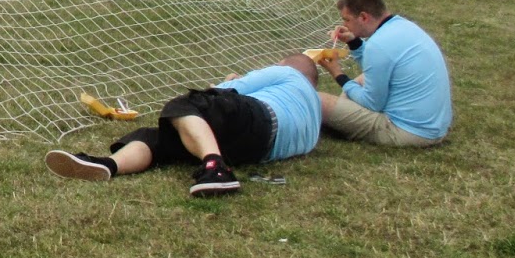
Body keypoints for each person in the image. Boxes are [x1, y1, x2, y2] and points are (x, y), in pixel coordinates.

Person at [46, 54, 323, 197]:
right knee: (160, 137)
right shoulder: (314, 122)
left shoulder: (288, 73)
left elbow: (225, 90)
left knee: (186, 105)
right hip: (256, 150)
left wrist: (228, 81)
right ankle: (108, 165)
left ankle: (216, 169)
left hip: (259, 118)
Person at [316, 0, 451, 147]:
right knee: (360, 82)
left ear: (364, 17)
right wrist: (354, 42)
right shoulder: (402, 25)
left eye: (347, 20)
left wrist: (339, 75)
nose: (345, 25)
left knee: (317, 99)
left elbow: (372, 104)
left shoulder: (378, 45)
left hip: (408, 133)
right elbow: (379, 63)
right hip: (434, 128)